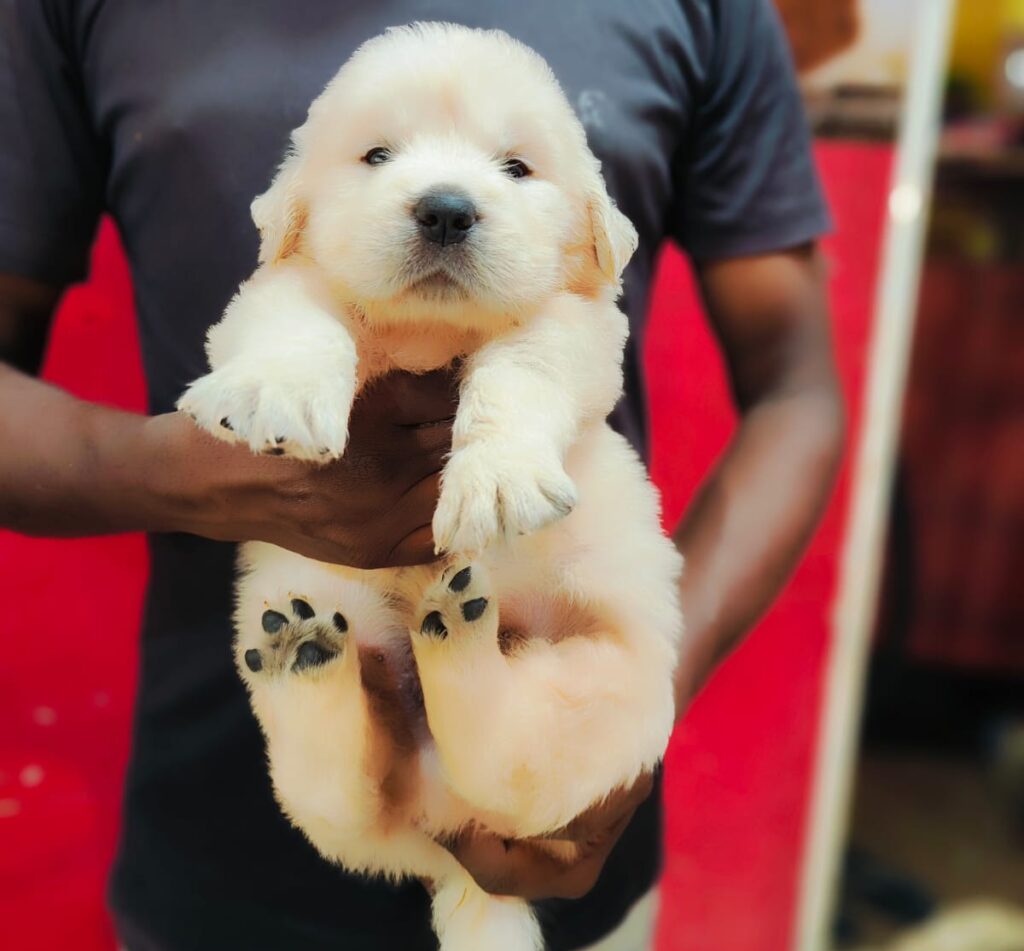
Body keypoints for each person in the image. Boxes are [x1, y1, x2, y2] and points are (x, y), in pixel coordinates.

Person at [0, 1, 843, 949]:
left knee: (526, 717)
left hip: (576, 851)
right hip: (216, 848)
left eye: (515, 169)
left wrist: (638, 693)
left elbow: (797, 387)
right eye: (377, 156)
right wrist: (188, 471)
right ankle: (346, 712)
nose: (446, 202)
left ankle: (481, 709)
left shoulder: (706, 18)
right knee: (332, 749)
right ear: (296, 206)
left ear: (586, 221)